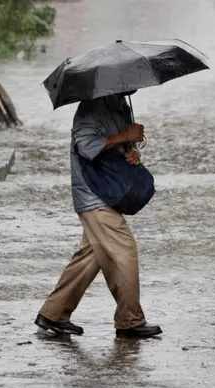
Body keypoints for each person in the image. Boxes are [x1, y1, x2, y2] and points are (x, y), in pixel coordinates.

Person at [34, 92, 162, 338]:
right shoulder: (90, 109)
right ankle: (130, 320)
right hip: (93, 194)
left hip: (108, 191)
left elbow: (120, 145)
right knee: (125, 251)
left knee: (90, 257)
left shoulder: (119, 103)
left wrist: (133, 150)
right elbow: (86, 146)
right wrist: (126, 136)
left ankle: (53, 313)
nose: (133, 86)